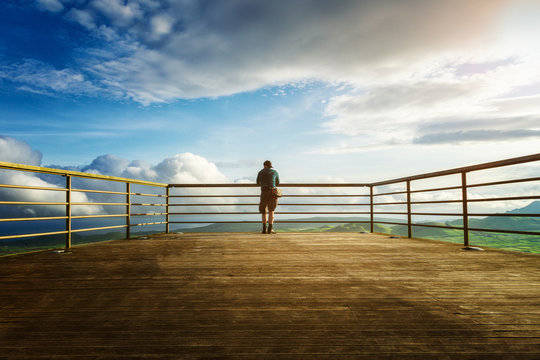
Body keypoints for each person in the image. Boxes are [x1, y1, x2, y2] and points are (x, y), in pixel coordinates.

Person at [256, 160, 280, 234]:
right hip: (273, 192)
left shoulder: (260, 172)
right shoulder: (275, 172)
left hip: (264, 192)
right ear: (270, 166)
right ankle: (270, 229)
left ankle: (264, 229)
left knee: (263, 210)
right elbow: (277, 182)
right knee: (271, 210)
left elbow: (257, 182)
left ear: (264, 166)